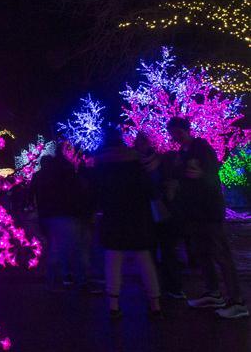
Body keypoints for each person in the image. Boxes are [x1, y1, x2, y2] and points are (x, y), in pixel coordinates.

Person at [166, 117, 248, 319]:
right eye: (173, 133)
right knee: (202, 252)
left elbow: (209, 173)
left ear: (186, 130)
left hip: (209, 212)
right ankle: (213, 293)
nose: (175, 136)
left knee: (221, 254)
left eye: (178, 132)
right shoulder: (183, 153)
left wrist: (197, 175)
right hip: (194, 213)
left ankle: (237, 301)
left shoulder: (200, 148)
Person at [93, 128, 161, 318]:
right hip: (138, 216)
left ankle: (113, 305)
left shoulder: (101, 163)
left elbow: (96, 193)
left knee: (113, 260)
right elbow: (150, 189)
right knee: (144, 260)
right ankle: (155, 304)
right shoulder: (135, 160)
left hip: (113, 217)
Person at [133, 132, 186, 299]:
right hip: (154, 211)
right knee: (161, 250)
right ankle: (164, 286)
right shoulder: (157, 162)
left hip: (155, 211)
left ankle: (162, 286)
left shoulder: (142, 165)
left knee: (160, 250)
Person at [30, 154, 94, 291]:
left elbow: (32, 194)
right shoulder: (68, 177)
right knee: (74, 248)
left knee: (57, 247)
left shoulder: (40, 176)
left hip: (48, 215)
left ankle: (60, 278)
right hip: (66, 215)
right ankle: (74, 278)